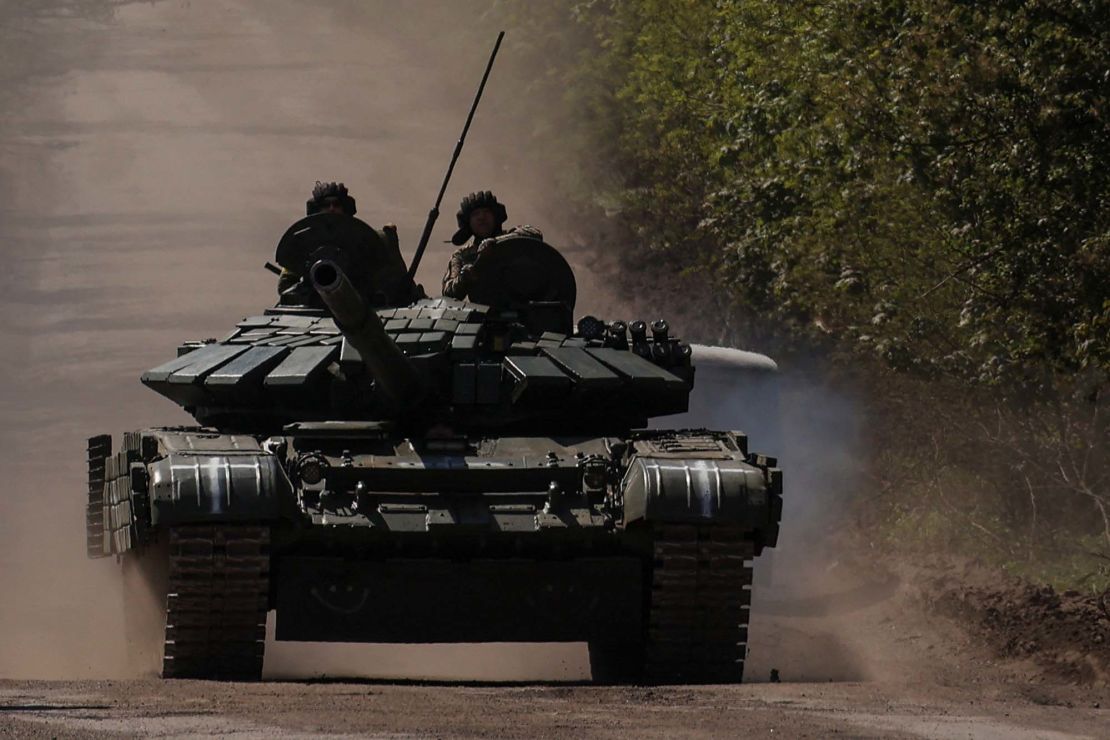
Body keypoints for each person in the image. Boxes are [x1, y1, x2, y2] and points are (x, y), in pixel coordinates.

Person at [278, 181, 414, 303]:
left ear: (345, 208)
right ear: (316, 210)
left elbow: (393, 280)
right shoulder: (302, 243)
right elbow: (286, 285)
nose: (331, 208)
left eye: (336, 204)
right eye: (326, 205)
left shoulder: (369, 240)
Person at [441, 190, 542, 300]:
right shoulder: (462, 255)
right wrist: (465, 278)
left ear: (495, 217)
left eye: (486, 212)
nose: (482, 217)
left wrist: (496, 242)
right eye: (475, 214)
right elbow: (448, 293)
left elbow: (534, 233)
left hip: (524, 308)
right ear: (468, 223)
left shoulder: (514, 239)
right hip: (484, 314)